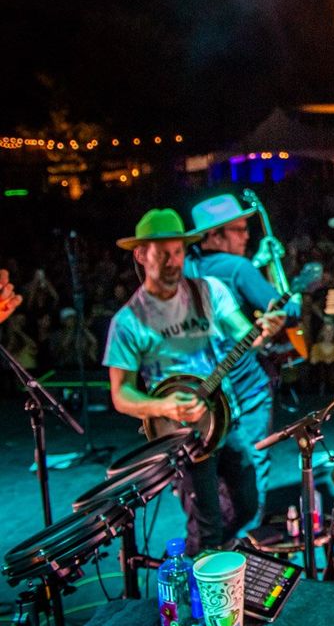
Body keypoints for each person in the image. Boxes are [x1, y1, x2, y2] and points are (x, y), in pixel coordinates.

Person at [104, 208, 284, 554]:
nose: (173, 261)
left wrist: (265, 331)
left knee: (247, 503)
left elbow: (246, 334)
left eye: (178, 252)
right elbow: (121, 394)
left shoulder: (209, 291)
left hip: (224, 420)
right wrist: (161, 405)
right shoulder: (128, 322)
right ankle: (199, 580)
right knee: (206, 520)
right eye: (163, 253)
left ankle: (209, 555)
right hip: (180, 435)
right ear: (141, 255)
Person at [186, 193, 294, 530]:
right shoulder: (238, 268)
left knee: (213, 469)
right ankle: (248, 538)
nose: (246, 236)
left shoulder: (188, 267)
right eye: (239, 230)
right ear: (215, 235)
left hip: (210, 393)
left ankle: (219, 533)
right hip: (246, 386)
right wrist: (276, 276)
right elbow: (286, 310)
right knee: (254, 461)